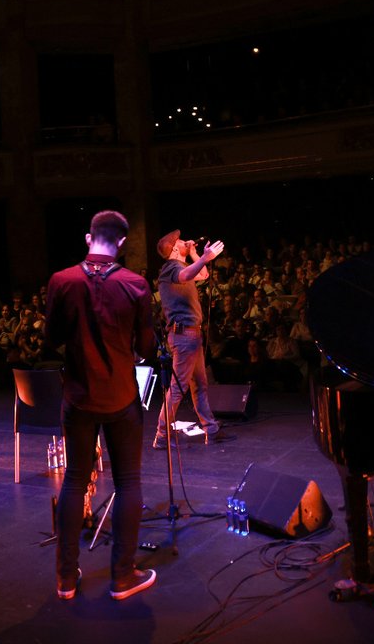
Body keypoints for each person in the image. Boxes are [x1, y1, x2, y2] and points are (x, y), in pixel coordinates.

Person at [43, 210, 157, 601]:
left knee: (75, 481)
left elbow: (52, 339)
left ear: (89, 238)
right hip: (121, 396)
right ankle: (122, 577)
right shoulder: (136, 284)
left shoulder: (61, 281)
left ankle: (65, 578)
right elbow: (146, 348)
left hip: (78, 397)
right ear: (122, 243)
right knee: (128, 483)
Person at [152, 229, 235, 450]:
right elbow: (186, 275)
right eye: (181, 241)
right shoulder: (171, 268)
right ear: (174, 248)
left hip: (191, 335)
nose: (185, 241)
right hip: (183, 336)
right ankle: (161, 435)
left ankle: (211, 430)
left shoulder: (181, 266)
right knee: (177, 388)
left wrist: (196, 255)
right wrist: (205, 257)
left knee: (199, 385)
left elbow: (203, 275)